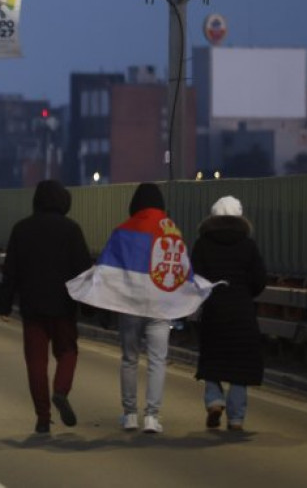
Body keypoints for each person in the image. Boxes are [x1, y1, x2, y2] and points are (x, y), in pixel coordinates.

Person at [67, 183, 217, 434]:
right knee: (157, 361)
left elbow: (108, 270)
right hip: (161, 306)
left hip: (131, 305)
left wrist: (101, 303)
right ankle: (152, 416)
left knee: (129, 359)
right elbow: (182, 269)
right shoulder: (172, 232)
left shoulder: (123, 230)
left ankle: (129, 415)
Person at [0, 180, 93, 434]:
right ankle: (60, 390)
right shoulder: (71, 230)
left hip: (32, 307)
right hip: (63, 306)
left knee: (36, 362)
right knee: (68, 352)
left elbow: (10, 271)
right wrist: (89, 307)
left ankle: (42, 418)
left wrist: (4, 305)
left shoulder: (21, 229)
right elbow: (83, 271)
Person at [192, 195, 267, 432]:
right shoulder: (248, 245)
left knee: (212, 359)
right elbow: (260, 279)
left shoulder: (202, 244)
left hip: (214, 311)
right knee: (240, 366)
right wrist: (245, 293)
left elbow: (194, 277)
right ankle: (236, 419)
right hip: (242, 311)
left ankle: (214, 401)